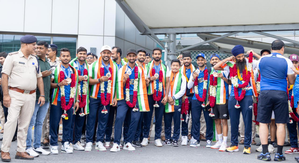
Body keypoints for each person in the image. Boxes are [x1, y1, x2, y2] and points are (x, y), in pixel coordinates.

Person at [1, 35, 45, 162]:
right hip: (15, 94)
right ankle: (5, 150)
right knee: (11, 122)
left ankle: (21, 150)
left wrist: (41, 95)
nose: (35, 47)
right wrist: (6, 95)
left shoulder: (34, 59)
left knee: (25, 125)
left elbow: (39, 78)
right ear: (25, 44)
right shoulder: (12, 57)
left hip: (31, 95)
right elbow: (5, 76)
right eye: (33, 45)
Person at [214, 45, 259, 154]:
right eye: (238, 57)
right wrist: (227, 59)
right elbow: (216, 67)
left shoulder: (250, 61)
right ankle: (234, 144)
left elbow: (263, 61)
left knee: (247, 121)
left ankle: (247, 145)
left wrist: (255, 53)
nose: (240, 58)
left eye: (242, 56)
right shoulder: (231, 64)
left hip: (247, 94)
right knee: (233, 121)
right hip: (234, 95)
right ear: (234, 57)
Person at [256, 40, 295, 161]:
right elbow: (291, 80)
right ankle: (279, 154)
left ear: (271, 48)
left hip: (265, 92)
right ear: (282, 48)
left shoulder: (261, 59)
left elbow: (260, 72)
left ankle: (265, 152)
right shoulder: (287, 61)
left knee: (263, 122)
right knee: (280, 123)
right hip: (280, 93)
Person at [110, 49, 149, 152]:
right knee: (119, 117)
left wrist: (148, 81)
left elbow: (144, 85)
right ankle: (116, 143)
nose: (131, 58)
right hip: (123, 97)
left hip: (136, 97)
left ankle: (128, 142)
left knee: (135, 119)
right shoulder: (122, 69)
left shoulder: (140, 69)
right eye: (129, 56)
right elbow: (118, 85)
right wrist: (124, 80)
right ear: (127, 57)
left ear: (135, 57)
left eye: (133, 56)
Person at [85, 45, 118, 152]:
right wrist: (100, 80)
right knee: (91, 119)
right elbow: (88, 81)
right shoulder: (94, 65)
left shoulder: (115, 67)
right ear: (101, 54)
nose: (106, 55)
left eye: (108, 53)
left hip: (107, 97)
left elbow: (117, 83)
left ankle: (100, 141)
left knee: (104, 120)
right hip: (95, 96)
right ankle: (89, 141)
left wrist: (115, 97)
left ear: (111, 54)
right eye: (104, 53)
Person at [49, 48, 79, 154]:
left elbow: (76, 86)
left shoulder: (73, 70)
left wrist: (77, 100)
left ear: (70, 57)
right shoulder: (55, 69)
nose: (65, 58)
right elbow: (50, 84)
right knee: (54, 123)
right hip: (57, 100)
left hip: (70, 100)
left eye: (67, 56)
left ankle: (66, 143)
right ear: (60, 57)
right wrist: (59, 84)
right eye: (63, 56)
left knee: (68, 123)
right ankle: (53, 144)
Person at [26, 41, 51, 157]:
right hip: (35, 96)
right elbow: (29, 76)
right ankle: (28, 147)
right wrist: (42, 74)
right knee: (31, 122)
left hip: (46, 97)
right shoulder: (33, 60)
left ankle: (37, 146)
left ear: (47, 50)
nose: (38, 50)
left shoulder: (48, 62)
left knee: (39, 122)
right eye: (37, 48)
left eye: (41, 48)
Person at [141, 48, 169, 147]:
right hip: (150, 94)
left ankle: (157, 138)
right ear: (152, 55)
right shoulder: (147, 66)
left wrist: (166, 95)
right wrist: (150, 79)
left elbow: (167, 82)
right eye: (155, 54)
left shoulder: (165, 67)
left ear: (161, 55)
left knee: (159, 117)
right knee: (147, 117)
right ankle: (145, 137)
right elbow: (143, 81)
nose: (157, 55)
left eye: (159, 54)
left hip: (161, 95)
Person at [187, 53, 213, 147]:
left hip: (207, 99)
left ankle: (209, 139)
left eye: (202, 59)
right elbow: (189, 86)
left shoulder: (209, 71)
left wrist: (210, 98)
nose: (200, 61)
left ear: (205, 61)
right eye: (198, 60)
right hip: (196, 98)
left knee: (208, 119)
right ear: (196, 61)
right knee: (195, 119)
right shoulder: (194, 72)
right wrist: (193, 78)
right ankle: (195, 139)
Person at [209, 54, 230, 152]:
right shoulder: (211, 71)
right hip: (214, 99)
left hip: (223, 98)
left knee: (224, 120)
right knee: (216, 120)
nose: (214, 61)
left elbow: (230, 82)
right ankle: (219, 140)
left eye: (216, 59)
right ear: (210, 62)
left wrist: (223, 77)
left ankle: (225, 142)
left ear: (220, 61)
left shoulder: (225, 69)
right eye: (212, 59)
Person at [69, 47, 89, 151]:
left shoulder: (88, 66)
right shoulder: (71, 65)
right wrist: (78, 78)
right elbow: (66, 77)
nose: (82, 55)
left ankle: (77, 141)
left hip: (84, 96)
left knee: (80, 120)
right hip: (73, 95)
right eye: (80, 53)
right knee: (71, 120)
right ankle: (69, 141)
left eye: (84, 53)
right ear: (77, 54)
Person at [164, 59, 186, 147]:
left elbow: (183, 90)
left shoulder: (182, 76)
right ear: (171, 66)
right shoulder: (167, 75)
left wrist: (173, 98)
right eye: (173, 65)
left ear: (180, 67)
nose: (175, 67)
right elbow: (165, 87)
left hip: (177, 101)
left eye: (177, 65)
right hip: (167, 101)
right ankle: (167, 138)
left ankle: (175, 138)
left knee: (177, 121)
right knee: (167, 120)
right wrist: (168, 98)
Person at [42, 44, 59, 149]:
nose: (47, 52)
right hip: (46, 90)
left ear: (54, 52)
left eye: (49, 50)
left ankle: (54, 135)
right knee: (45, 115)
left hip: (57, 90)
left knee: (56, 115)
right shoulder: (44, 62)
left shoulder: (60, 62)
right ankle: (45, 137)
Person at [133, 48, 149, 147]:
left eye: (144, 55)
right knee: (134, 118)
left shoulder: (146, 67)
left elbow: (145, 82)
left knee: (140, 118)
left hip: (142, 95)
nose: (142, 57)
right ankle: (131, 138)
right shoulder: (133, 65)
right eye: (140, 55)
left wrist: (147, 81)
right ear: (137, 56)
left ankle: (137, 138)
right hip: (133, 95)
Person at [179, 51, 195, 146]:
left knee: (194, 117)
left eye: (188, 59)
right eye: (185, 59)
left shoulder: (195, 69)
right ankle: (184, 136)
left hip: (194, 96)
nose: (186, 60)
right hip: (184, 96)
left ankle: (192, 136)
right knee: (185, 117)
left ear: (191, 60)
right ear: (182, 60)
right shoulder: (180, 70)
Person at [285, 54, 299, 155]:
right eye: (292, 62)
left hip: (297, 102)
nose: (293, 64)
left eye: (296, 62)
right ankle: (294, 146)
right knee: (291, 124)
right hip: (288, 101)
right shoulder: (285, 72)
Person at [0, 52, 8, 132]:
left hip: (7, 95)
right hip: (1, 95)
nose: (0, 60)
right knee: (2, 114)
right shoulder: (1, 68)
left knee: (7, 114)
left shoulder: (9, 69)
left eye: (2, 58)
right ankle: (4, 129)